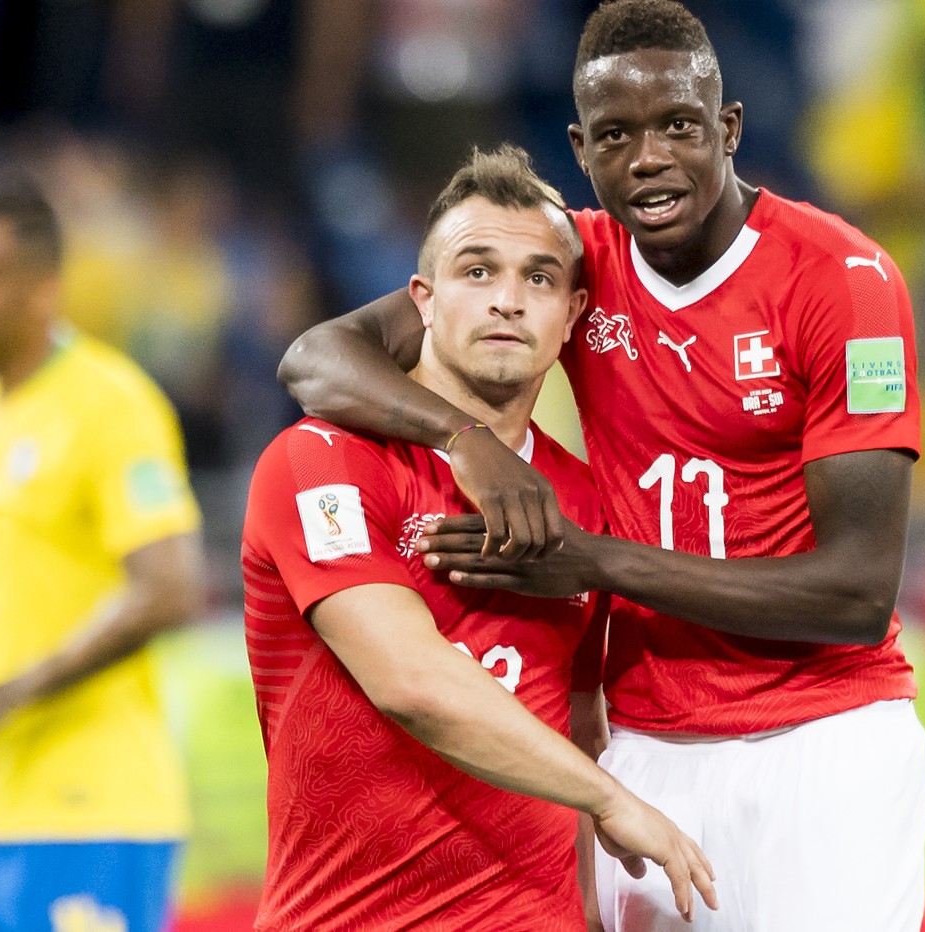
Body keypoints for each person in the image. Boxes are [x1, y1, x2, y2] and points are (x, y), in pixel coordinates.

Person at [277, 1, 925, 929]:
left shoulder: (844, 282)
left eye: (678, 127)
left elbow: (858, 596)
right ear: (580, 150)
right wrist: (463, 440)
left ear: (728, 128)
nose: (650, 158)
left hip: (823, 738)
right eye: (617, 136)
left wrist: (594, 562)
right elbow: (316, 359)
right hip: (647, 746)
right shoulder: (572, 264)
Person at [242, 144, 714, 931]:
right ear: (422, 299)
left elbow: (579, 720)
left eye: (537, 278)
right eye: (477, 271)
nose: (507, 301)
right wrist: (612, 801)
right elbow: (411, 683)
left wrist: (591, 909)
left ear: (571, 315)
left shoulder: (590, 500)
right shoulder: (318, 461)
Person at [0, 174, 206, 932]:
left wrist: (2, 698)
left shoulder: (111, 404)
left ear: (43, 291)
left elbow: (171, 588)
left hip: (88, 813)